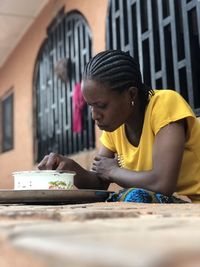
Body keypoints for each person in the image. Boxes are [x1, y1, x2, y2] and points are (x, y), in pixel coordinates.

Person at [38, 50, 200, 203]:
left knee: (132, 196)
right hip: (178, 207)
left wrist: (113, 171)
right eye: (91, 106)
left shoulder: (165, 104)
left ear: (131, 94)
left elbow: (162, 183)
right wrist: (69, 169)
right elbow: (99, 182)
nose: (94, 115)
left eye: (101, 105)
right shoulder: (115, 126)